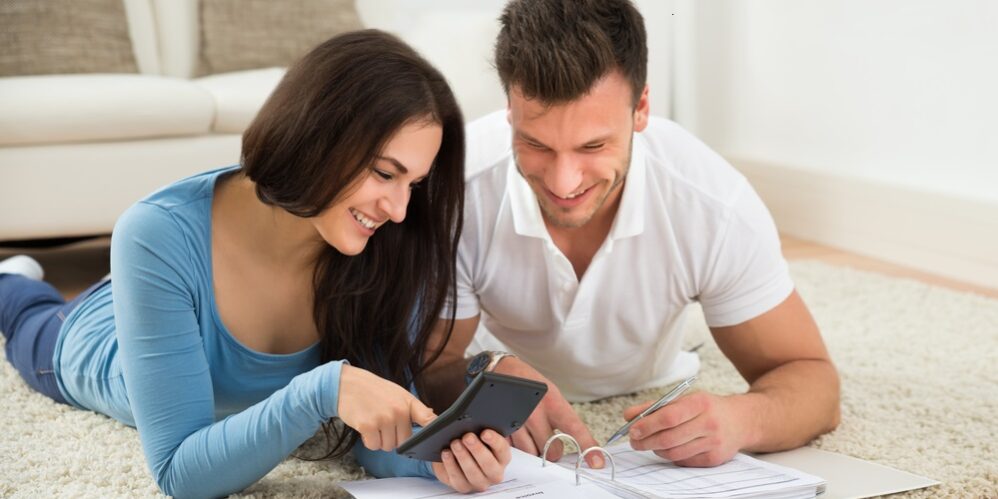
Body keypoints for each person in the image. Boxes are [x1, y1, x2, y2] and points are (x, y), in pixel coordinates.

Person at [0, 30, 511, 497]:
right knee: (23, 314)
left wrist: (441, 459)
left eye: (414, 185)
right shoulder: (154, 231)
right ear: (317, 134)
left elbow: (376, 438)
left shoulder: (387, 244)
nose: (399, 210)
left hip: (165, 286)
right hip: (91, 334)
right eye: (383, 173)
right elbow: (182, 473)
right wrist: (320, 391)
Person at [423, 0, 841, 470]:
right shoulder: (452, 191)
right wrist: (484, 379)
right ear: (510, 109)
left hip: (649, 382)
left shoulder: (713, 205)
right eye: (536, 144)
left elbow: (812, 381)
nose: (564, 183)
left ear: (641, 108)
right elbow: (425, 363)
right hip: (494, 376)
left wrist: (742, 418)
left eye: (593, 146)